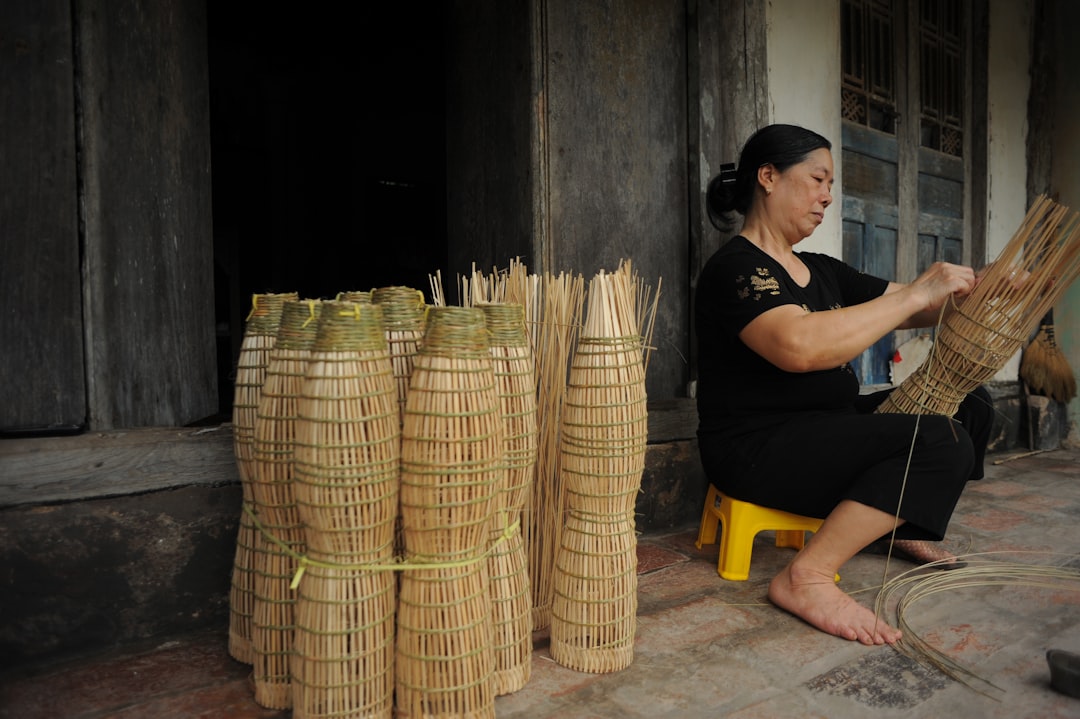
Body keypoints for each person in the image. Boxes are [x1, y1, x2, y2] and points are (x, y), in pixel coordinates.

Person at [694, 124, 993, 645]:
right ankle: (805, 576)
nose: (828, 196)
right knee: (940, 442)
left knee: (971, 405)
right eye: (818, 179)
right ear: (768, 177)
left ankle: (895, 526)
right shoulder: (736, 268)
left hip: (827, 428)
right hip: (757, 447)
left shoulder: (821, 270)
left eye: (830, 184)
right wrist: (916, 292)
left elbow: (917, 307)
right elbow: (797, 346)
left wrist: (984, 290)